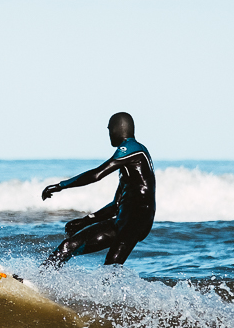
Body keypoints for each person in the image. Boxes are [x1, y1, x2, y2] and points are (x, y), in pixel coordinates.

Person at [41, 112, 155, 266]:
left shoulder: (131, 148)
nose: (109, 135)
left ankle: (110, 290)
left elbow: (96, 175)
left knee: (111, 264)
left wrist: (61, 185)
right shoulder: (129, 168)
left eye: (109, 130)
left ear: (117, 129)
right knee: (68, 246)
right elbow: (115, 206)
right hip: (122, 221)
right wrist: (85, 221)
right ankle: (40, 279)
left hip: (136, 220)